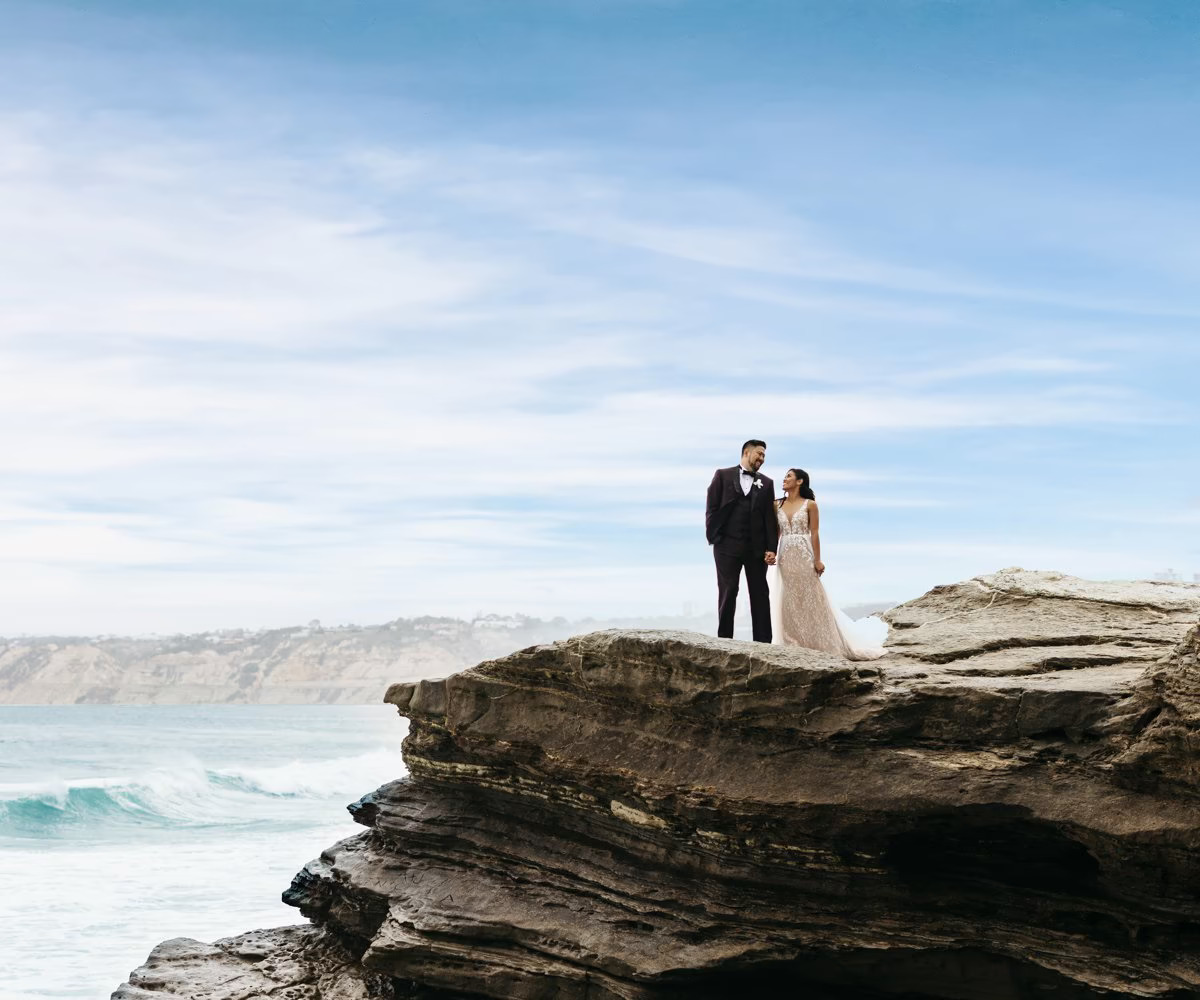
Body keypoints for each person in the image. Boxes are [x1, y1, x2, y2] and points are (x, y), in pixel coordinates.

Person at [771, 467, 885, 660]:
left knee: (812, 598)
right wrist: (772, 551)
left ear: (800, 481)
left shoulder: (810, 505)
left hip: (804, 554)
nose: (784, 479)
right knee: (789, 599)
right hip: (785, 556)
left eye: (789, 476)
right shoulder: (776, 504)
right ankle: (794, 641)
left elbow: (814, 533)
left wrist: (817, 559)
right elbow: (776, 533)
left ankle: (822, 641)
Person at [705, 440, 779, 642]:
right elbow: (711, 508)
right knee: (728, 592)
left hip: (756, 548)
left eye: (764, 456)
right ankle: (724, 640)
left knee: (760, 594)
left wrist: (771, 548)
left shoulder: (767, 483)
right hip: (726, 547)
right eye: (759, 454)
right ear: (747, 452)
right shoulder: (722, 475)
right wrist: (714, 537)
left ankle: (763, 642)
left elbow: (769, 519)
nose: (762, 459)